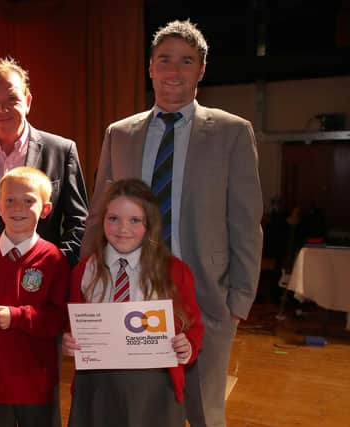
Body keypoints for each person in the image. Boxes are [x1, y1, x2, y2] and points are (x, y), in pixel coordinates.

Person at [81, 20, 263, 427]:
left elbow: (247, 222)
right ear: (150, 68)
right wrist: (87, 279)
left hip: (203, 296)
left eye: (186, 61)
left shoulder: (233, 133)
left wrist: (239, 301)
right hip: (127, 294)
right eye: (164, 60)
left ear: (200, 70)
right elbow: (98, 213)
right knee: (136, 409)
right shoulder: (120, 134)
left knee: (203, 410)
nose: (173, 70)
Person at [64, 178, 204, 427]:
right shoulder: (85, 271)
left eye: (134, 220)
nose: (122, 229)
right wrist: (69, 341)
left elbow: (193, 327)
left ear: (149, 224)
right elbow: (72, 325)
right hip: (97, 387)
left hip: (154, 388)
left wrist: (187, 346)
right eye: (113, 218)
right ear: (102, 220)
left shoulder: (175, 271)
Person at [0, 56, 88, 266]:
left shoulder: (61, 150)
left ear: (28, 102)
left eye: (12, 99)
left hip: (45, 280)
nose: (2, 109)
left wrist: (53, 266)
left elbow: (79, 223)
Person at [0, 166, 70, 427]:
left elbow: (57, 319)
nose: (18, 208)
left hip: (36, 384)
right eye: (10, 200)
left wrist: (15, 316)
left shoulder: (54, 259)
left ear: (46, 209)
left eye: (28, 201)